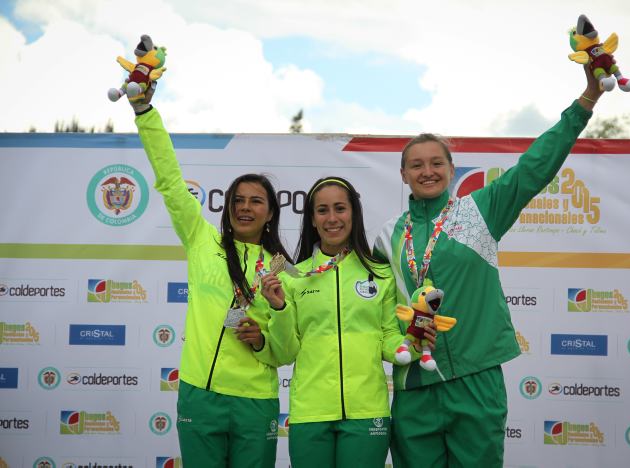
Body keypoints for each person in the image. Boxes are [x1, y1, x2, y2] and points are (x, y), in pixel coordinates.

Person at [373, 65, 604, 467]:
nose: (427, 171)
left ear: (450, 168)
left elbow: (535, 166)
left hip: (476, 378)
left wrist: (586, 101)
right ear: (403, 174)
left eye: (436, 163)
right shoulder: (385, 234)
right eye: (416, 165)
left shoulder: (481, 210)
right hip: (414, 386)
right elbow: (371, 306)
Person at [128, 86, 292, 467]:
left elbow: (285, 351)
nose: (245, 208)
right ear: (227, 207)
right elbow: (170, 181)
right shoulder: (202, 241)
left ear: (271, 213)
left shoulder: (284, 267)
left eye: (256, 201)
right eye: (238, 200)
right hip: (200, 395)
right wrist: (145, 112)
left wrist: (262, 338)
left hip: (255, 400)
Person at [260, 176, 430, 468]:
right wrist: (279, 308)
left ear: (353, 213)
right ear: (312, 219)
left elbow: (388, 338)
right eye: (322, 210)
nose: (332, 218)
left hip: (366, 412)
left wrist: (414, 342)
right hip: (310, 413)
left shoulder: (380, 273)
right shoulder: (293, 278)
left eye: (340, 208)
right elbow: (287, 351)